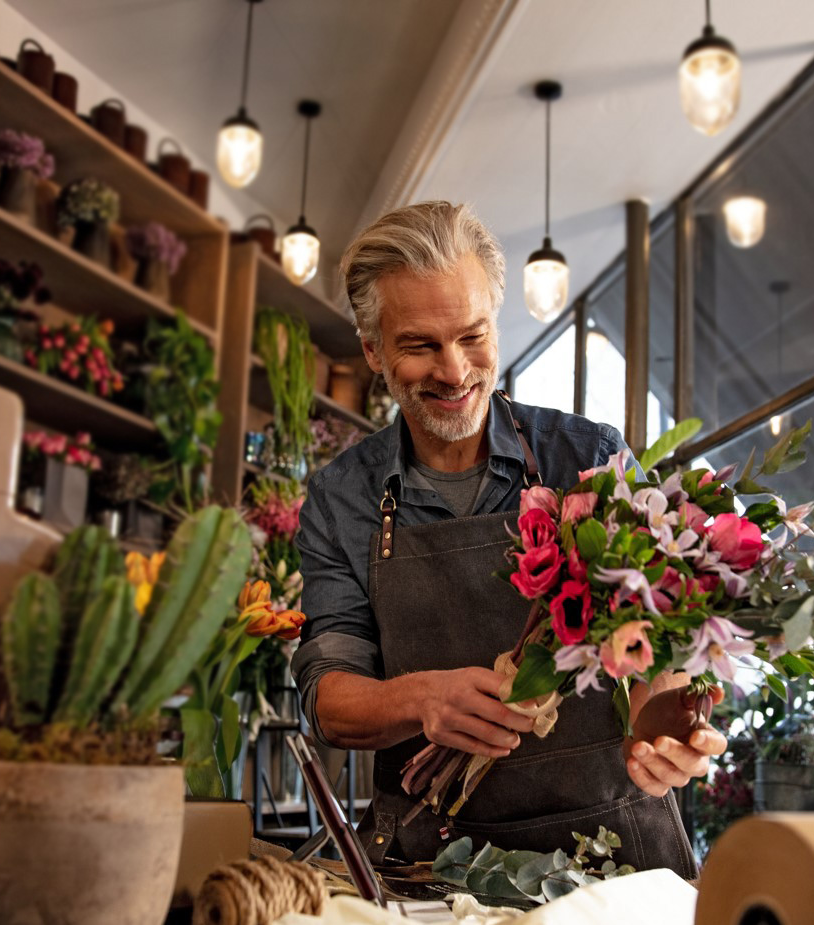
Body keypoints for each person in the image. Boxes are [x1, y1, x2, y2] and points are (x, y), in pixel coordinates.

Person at [291, 201, 723, 877]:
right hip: (432, 865)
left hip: (613, 859)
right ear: (372, 350)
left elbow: (658, 629)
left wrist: (663, 727)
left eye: (472, 336)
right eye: (419, 345)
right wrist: (420, 698)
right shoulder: (340, 498)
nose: (455, 371)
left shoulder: (590, 457)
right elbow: (328, 693)